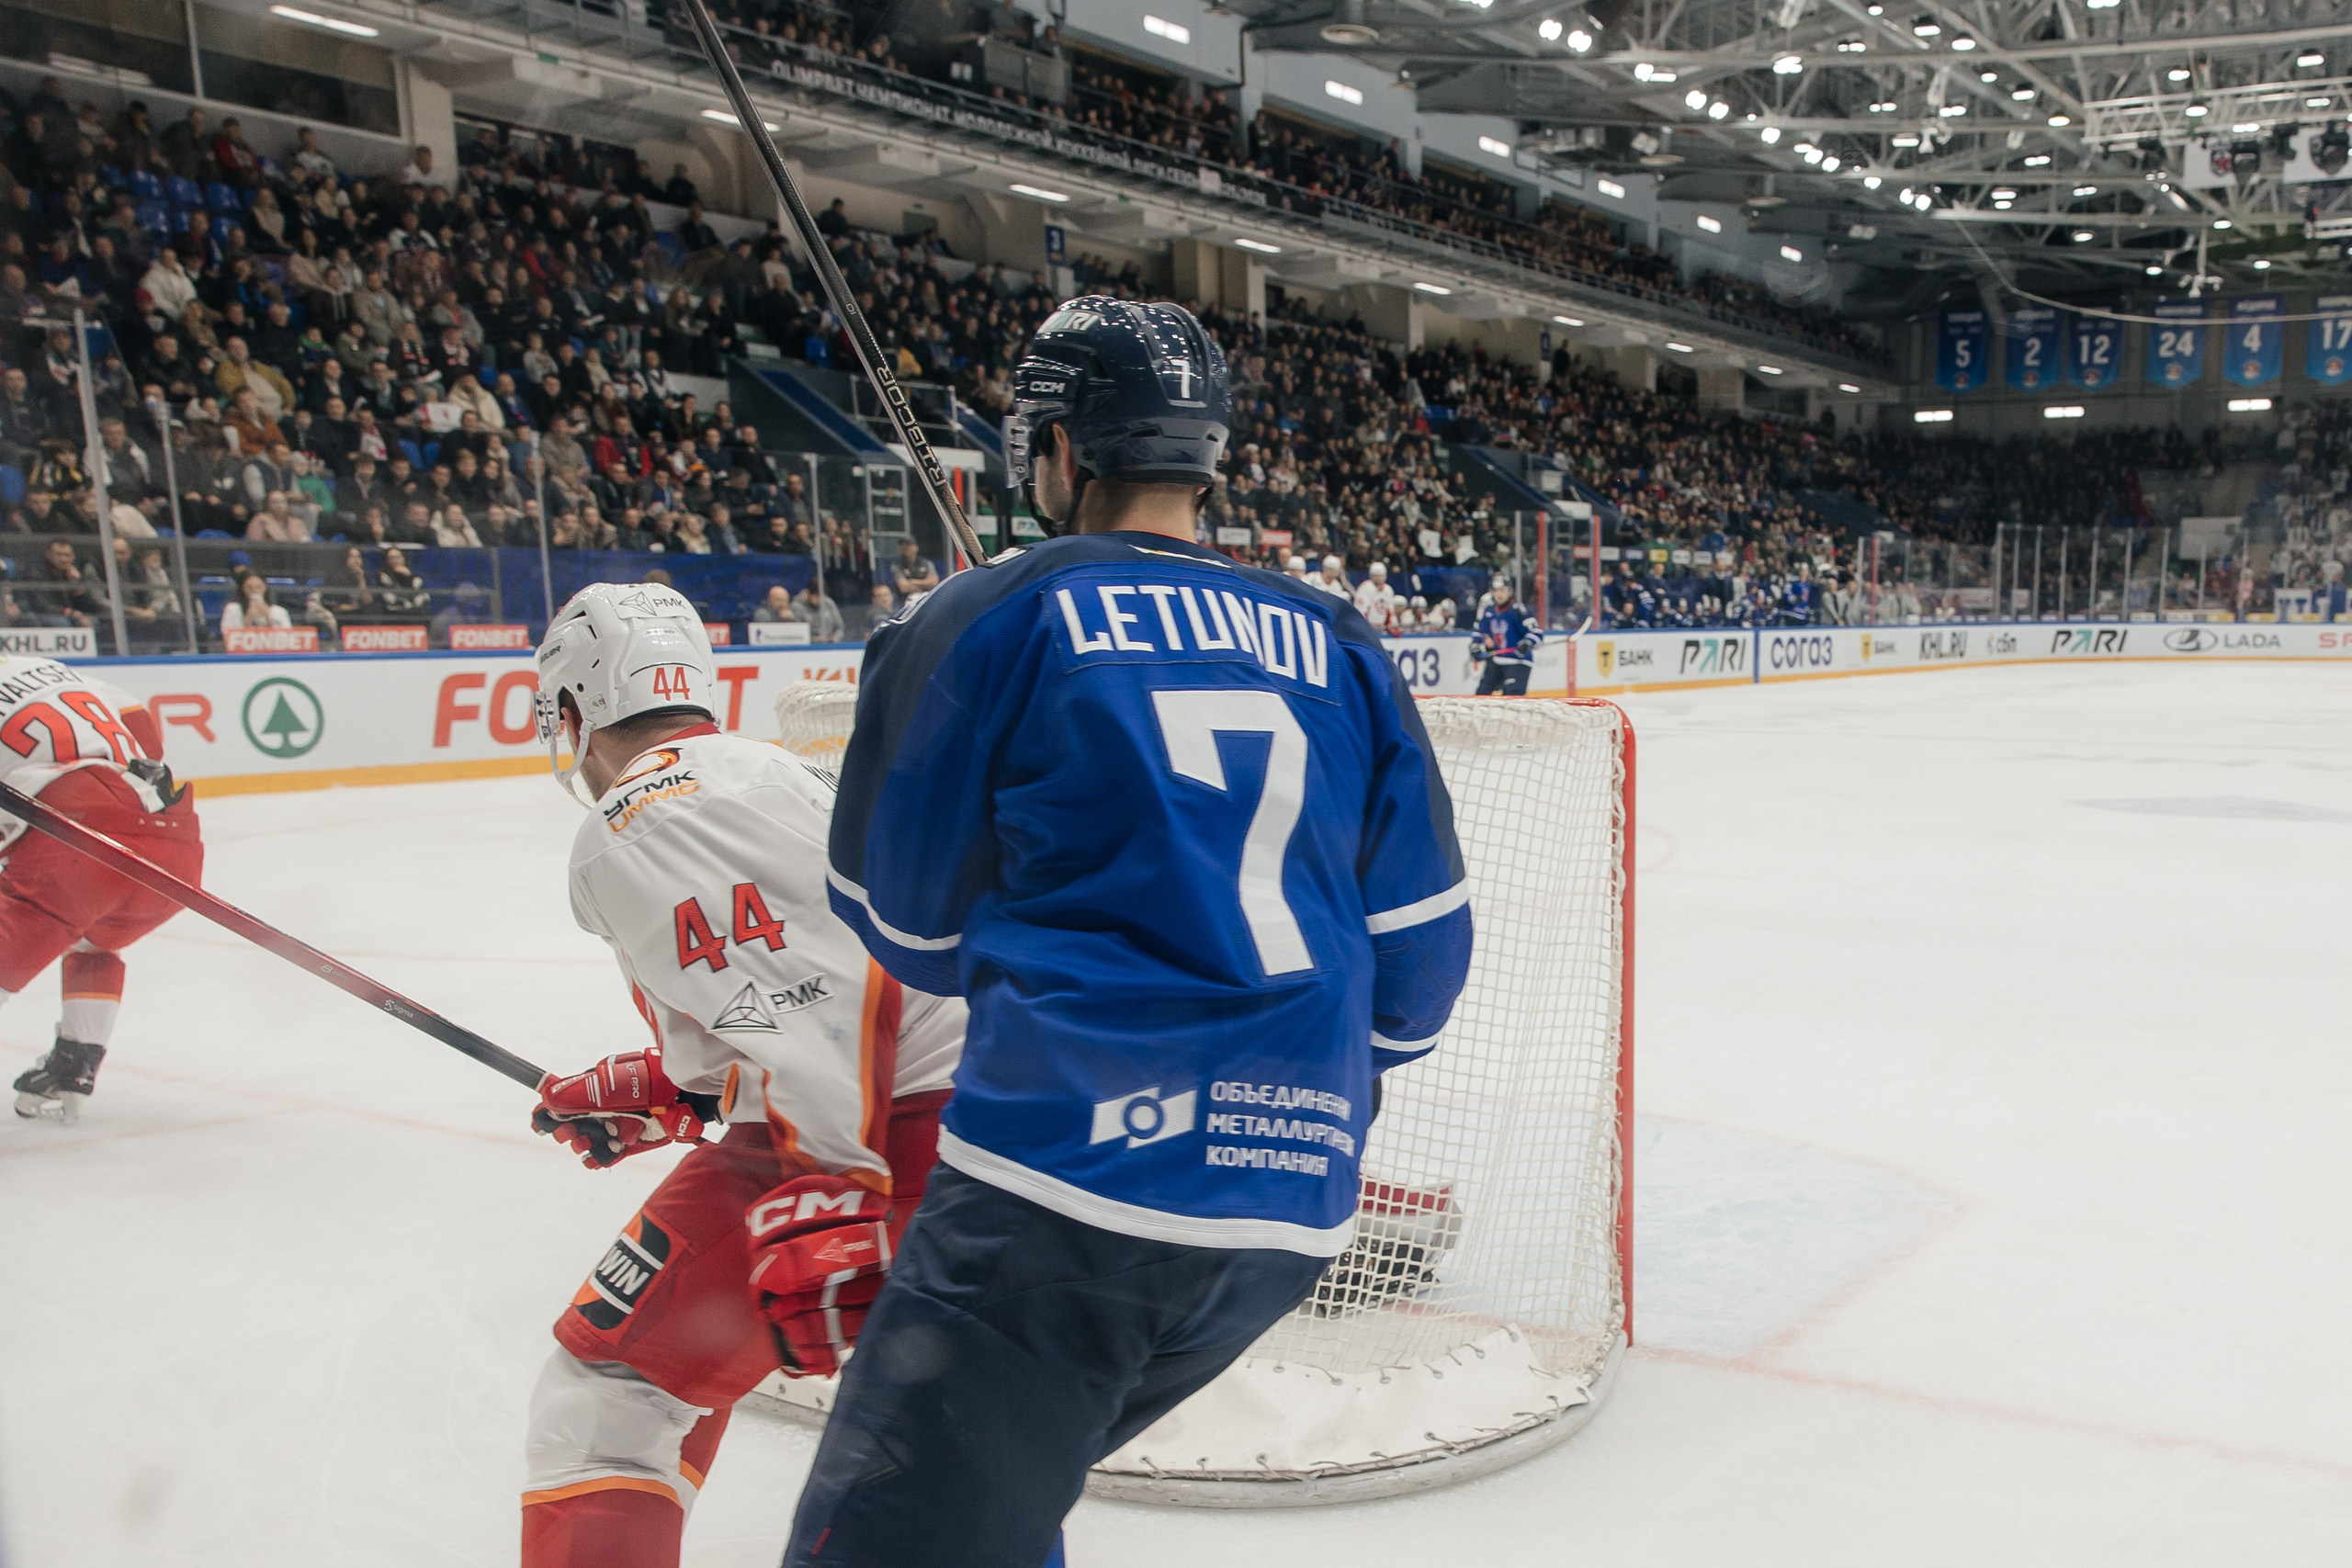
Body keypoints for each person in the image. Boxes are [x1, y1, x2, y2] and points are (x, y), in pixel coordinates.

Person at [799, 299, 1471, 1564]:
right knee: (995, 1500)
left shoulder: (990, 614)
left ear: (1057, 446)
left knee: (892, 1537)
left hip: (1065, 1193)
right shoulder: (1339, 638)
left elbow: (909, 925)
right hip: (1288, 1216)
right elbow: (1421, 974)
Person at [518, 583, 966, 1567]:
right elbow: (793, 995)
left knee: (607, 1403)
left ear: (578, 710)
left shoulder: (637, 816)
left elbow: (823, 999)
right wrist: (664, 1087)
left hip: (884, 1135)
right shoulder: (771, 772)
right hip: (944, 1111)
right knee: (679, 1389)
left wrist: (830, 1184)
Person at [3, 660, 201, 1122]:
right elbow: (145, 736)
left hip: (72, 851)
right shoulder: (48, 669)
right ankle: (77, 1061)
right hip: (172, 847)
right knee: (92, 944)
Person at [1468, 578, 1538, 695]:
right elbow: (1480, 630)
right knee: (1482, 693)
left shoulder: (1518, 610)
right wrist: (1475, 645)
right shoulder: (1490, 610)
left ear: (1510, 592)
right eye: (1496, 590)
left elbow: (1536, 631)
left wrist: (1528, 642)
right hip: (1498, 660)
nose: (1499, 594)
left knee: (1512, 696)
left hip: (1518, 662)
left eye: (1502, 590)